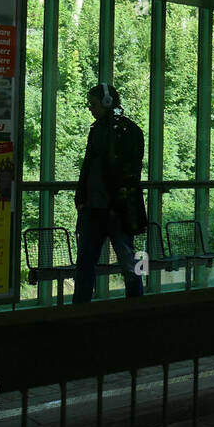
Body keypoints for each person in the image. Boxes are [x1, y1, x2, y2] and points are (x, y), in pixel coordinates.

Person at [73, 83, 146, 303]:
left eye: (93, 104)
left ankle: (80, 309)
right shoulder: (125, 131)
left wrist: (83, 200)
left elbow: (92, 168)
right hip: (110, 209)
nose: (90, 108)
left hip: (104, 209)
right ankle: (135, 307)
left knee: (88, 263)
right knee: (127, 261)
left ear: (106, 102)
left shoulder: (108, 131)